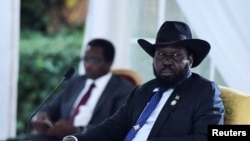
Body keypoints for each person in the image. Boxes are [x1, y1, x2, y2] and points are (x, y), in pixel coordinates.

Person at [62, 21, 225, 141]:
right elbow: (112, 127)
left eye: (176, 55)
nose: (167, 61)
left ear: (190, 60)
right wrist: (77, 139)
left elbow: (207, 137)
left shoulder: (204, 90)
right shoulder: (142, 91)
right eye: (160, 54)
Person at [7, 38, 136, 141]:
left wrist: (77, 130)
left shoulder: (123, 90)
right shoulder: (75, 82)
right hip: (57, 137)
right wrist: (43, 116)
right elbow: (53, 107)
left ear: (109, 62)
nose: (88, 65)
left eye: (94, 60)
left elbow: (116, 127)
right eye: (85, 59)